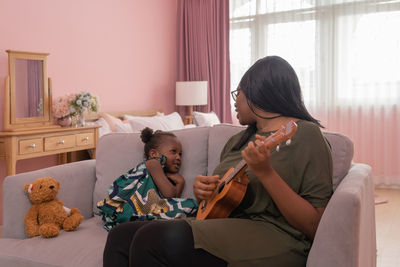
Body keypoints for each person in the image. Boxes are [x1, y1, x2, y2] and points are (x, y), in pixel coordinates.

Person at [103, 56, 333, 267]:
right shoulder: (237, 141)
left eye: (238, 93)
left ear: (258, 92)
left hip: (275, 235)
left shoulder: (305, 135)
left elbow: (315, 225)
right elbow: (224, 199)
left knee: (151, 238)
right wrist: (204, 192)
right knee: (120, 235)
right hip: (225, 226)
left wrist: (266, 173)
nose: (235, 101)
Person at [97, 127, 197, 231]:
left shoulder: (161, 172)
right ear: (154, 154)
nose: (178, 157)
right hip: (129, 209)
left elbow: (171, 202)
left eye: (180, 154)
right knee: (192, 205)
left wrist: (179, 182)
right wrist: (180, 182)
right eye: (173, 152)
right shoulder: (153, 164)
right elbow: (170, 194)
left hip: (143, 209)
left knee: (178, 213)